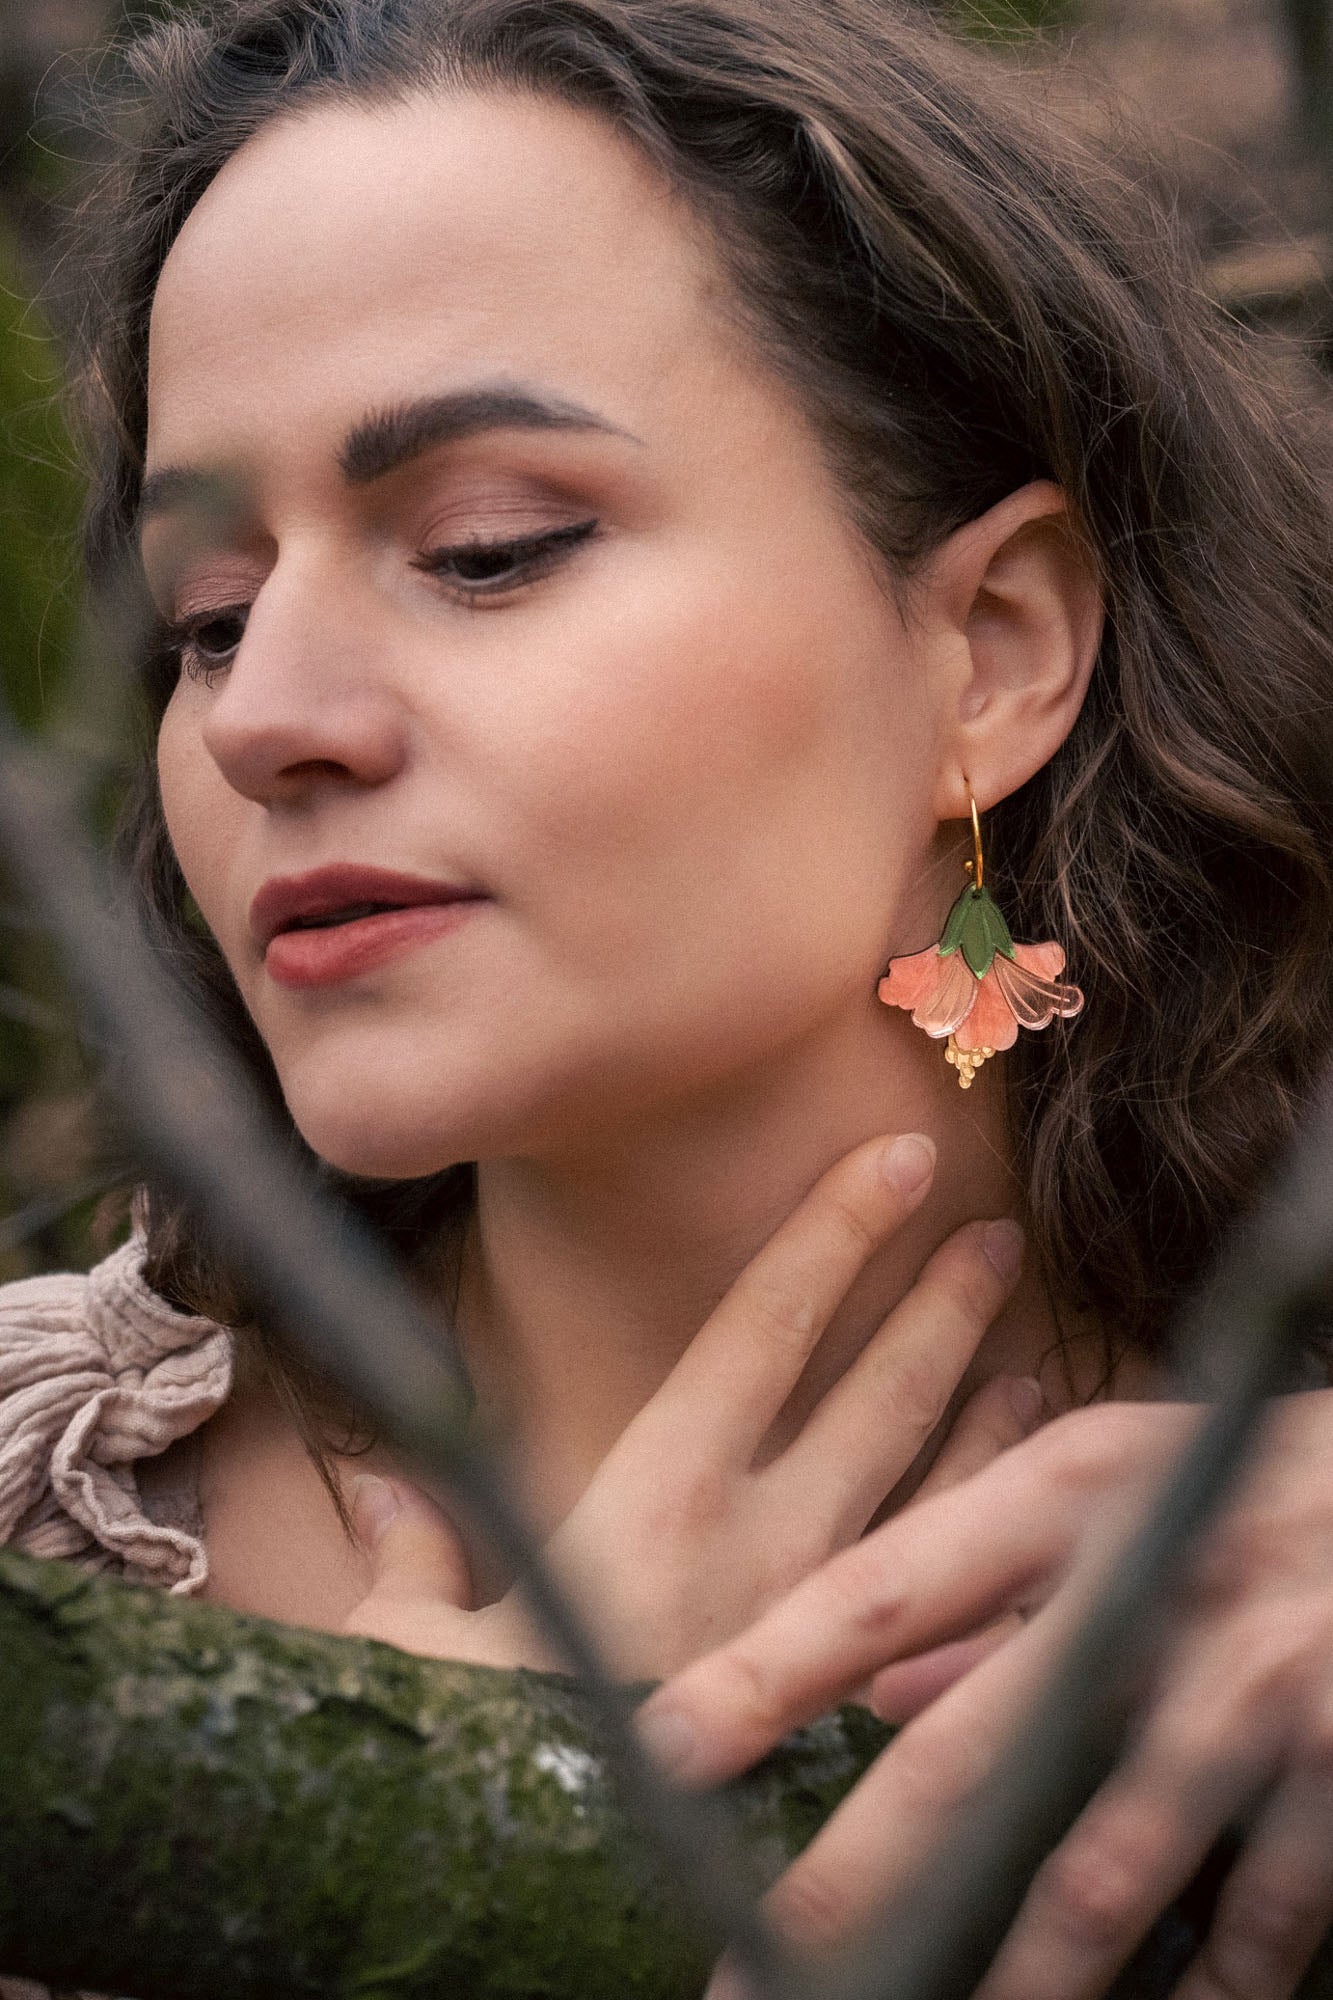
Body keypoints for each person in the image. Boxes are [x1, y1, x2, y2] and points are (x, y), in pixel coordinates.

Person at [2, 0, 1332, 1995]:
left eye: (483, 550)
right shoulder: (46, 1526)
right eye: (205, 616)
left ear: (988, 652)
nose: (265, 715)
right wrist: (378, 1855)